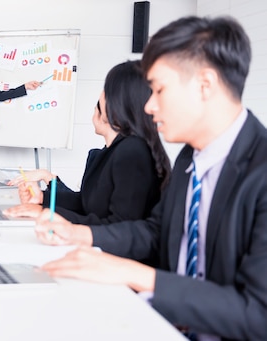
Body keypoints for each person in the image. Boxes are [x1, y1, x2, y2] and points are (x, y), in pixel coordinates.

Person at [34, 16, 267, 340]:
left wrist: (131, 272)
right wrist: (80, 235)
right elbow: (157, 231)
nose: (149, 105)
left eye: (159, 89)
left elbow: (257, 316)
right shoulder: (191, 156)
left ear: (205, 85)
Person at [4, 60, 170, 225]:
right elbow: (85, 203)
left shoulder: (132, 150)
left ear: (120, 99)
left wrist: (45, 213)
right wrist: (42, 198)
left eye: (107, 90)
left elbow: (119, 226)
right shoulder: (111, 151)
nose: (101, 96)